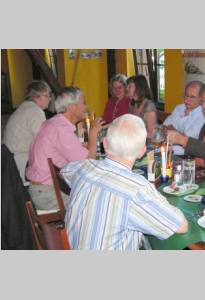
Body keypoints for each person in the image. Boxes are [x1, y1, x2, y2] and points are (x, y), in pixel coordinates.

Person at [61, 114, 188, 250]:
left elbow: (64, 172)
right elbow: (181, 226)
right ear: (142, 152)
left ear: (105, 143)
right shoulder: (137, 190)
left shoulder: (83, 167)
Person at [26, 87, 105, 210]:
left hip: (41, 189)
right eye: (83, 103)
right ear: (71, 107)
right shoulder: (61, 128)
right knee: (97, 202)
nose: (86, 107)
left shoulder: (53, 123)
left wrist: (84, 146)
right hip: (48, 194)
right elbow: (89, 161)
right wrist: (93, 134)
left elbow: (66, 151)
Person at [3, 80, 52, 184]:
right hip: (21, 161)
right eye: (47, 95)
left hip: (10, 158)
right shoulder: (35, 111)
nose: (50, 98)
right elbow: (44, 140)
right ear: (36, 97)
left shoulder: (25, 107)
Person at [163, 80, 205, 155]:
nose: (186, 100)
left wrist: (174, 131)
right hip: (166, 150)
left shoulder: (203, 115)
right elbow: (165, 126)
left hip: (185, 156)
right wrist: (179, 134)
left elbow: (187, 140)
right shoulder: (179, 108)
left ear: (201, 99)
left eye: (192, 97)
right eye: (185, 95)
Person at [127, 75, 157, 139]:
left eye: (130, 87)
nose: (127, 89)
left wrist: (134, 130)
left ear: (138, 88)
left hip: (147, 144)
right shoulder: (132, 104)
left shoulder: (148, 107)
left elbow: (152, 135)